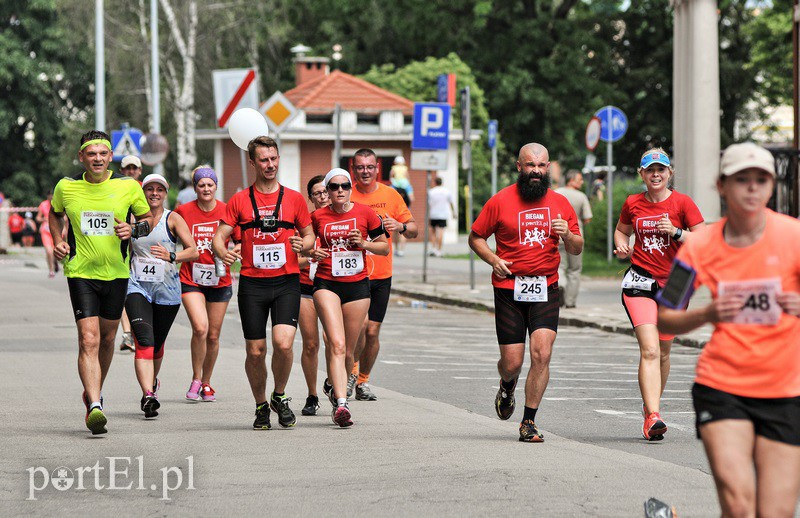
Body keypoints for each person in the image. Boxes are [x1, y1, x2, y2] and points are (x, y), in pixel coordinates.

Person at [658, 143, 800, 517]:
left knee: (775, 513)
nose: (752, 189)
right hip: (723, 386)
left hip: (786, 391)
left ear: (771, 186)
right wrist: (708, 314)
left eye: (761, 180)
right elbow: (665, 316)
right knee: (739, 505)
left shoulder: (794, 237)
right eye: (742, 180)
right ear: (722, 186)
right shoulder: (700, 245)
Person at [469, 142, 582, 443]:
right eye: (530, 165)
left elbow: (577, 247)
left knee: (542, 353)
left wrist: (568, 235)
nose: (536, 171)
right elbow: (476, 237)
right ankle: (507, 385)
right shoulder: (500, 201)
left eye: (541, 165)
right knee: (512, 363)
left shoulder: (560, 203)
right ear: (519, 167)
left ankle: (528, 421)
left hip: (545, 286)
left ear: (548, 168)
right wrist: (493, 259)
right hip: (509, 288)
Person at [49, 130, 153, 435]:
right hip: (80, 271)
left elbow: (147, 220)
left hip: (116, 273)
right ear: (82, 157)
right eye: (91, 154)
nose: (97, 159)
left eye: (102, 154)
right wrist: (58, 240)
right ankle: (94, 405)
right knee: (89, 339)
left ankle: (94, 390)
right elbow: (55, 215)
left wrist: (133, 231)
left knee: (108, 339)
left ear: (111, 157)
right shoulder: (66, 187)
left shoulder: (127, 186)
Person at [212, 136, 314, 430]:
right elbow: (219, 237)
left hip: (286, 281)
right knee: (255, 351)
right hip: (253, 285)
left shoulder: (294, 199)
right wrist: (224, 252)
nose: (270, 165)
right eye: (264, 160)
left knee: (283, 344)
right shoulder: (239, 200)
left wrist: (303, 245)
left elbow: (309, 236)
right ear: (253, 163)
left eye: (274, 159)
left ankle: (279, 396)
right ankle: (260, 405)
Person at [613, 148, 705, 441]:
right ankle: (653, 415)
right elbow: (620, 231)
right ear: (641, 174)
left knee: (664, 352)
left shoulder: (682, 203)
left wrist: (677, 232)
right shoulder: (632, 203)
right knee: (650, 349)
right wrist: (623, 245)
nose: (656, 174)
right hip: (640, 279)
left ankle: (650, 404)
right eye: (650, 170)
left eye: (661, 170)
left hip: (677, 281)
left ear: (669, 173)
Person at [311, 168, 389, 426]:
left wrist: (364, 244)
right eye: (334, 187)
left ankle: (336, 389)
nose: (340, 190)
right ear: (327, 191)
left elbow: (384, 246)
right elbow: (305, 247)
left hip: (357, 286)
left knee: (350, 352)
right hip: (326, 283)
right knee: (337, 344)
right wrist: (313, 253)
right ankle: (342, 405)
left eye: (345, 185)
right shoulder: (317, 216)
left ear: (350, 188)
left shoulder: (365, 213)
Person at [349, 148, 418, 401]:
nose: (365, 171)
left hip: (381, 275)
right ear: (353, 169)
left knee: (372, 332)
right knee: (359, 327)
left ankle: (363, 381)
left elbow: (413, 230)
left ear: (377, 168)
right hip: (353, 273)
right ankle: (351, 373)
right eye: (360, 167)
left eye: (369, 167)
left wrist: (399, 226)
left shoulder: (391, 195)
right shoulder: (347, 193)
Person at [126, 174, 198, 418]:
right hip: (137, 287)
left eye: (159, 189)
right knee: (144, 341)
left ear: (166, 193)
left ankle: (152, 382)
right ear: (142, 192)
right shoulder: (133, 218)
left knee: (156, 345)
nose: (154, 193)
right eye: (149, 189)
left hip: (167, 291)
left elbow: (193, 251)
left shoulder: (173, 218)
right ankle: (148, 394)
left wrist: (172, 256)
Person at [175, 166, 237, 403]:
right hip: (192, 278)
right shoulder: (183, 211)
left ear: (216, 187)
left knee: (212, 335)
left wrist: (233, 253)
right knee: (200, 328)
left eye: (210, 184)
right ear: (195, 188)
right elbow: (167, 232)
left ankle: (207, 382)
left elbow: (240, 241)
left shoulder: (227, 211)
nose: (206, 188)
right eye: (201, 184)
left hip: (220, 279)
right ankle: (196, 377)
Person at [297, 175, 331, 416]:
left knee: (335, 342)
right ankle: (312, 395)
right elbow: (291, 260)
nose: (323, 196)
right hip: (305, 288)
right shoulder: (304, 223)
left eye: (325, 191)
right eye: (317, 193)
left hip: (333, 287)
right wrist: (310, 258)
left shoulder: (343, 219)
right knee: (311, 344)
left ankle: (332, 381)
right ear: (310, 198)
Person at [555, 170, 593, 308]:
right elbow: (587, 218)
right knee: (574, 269)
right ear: (571, 180)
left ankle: (560, 285)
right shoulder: (581, 196)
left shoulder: (556, 193)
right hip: (575, 236)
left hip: (557, 233)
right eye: (579, 179)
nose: (581, 182)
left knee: (560, 265)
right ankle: (570, 302)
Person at [118, 155, 143, 352]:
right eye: (127, 168)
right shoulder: (115, 188)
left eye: (134, 168)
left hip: (143, 246)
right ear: (122, 170)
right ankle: (128, 334)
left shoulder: (149, 188)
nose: (131, 172)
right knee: (124, 288)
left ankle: (138, 331)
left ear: (140, 171)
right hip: (122, 244)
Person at [389, 156, 413, 257]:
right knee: (404, 229)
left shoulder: (392, 186)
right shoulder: (407, 185)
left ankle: (397, 248)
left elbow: (389, 199)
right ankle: (402, 250)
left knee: (395, 230)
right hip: (405, 211)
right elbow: (412, 198)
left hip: (394, 211)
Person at [427, 176, 455, 257]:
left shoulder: (431, 191)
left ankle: (433, 248)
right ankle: (439, 250)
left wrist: (428, 215)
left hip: (433, 214)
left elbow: (429, 204)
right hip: (443, 214)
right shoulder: (447, 191)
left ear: (435, 182)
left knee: (433, 232)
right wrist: (453, 213)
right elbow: (451, 203)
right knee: (441, 232)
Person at [36, 192, 58, 277]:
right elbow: (38, 218)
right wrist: (43, 219)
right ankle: (51, 270)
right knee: (49, 251)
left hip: (56, 231)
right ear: (48, 196)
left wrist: (64, 229)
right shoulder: (43, 204)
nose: (52, 197)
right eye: (50, 196)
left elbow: (64, 218)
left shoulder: (58, 203)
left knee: (55, 251)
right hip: (45, 231)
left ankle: (55, 261)